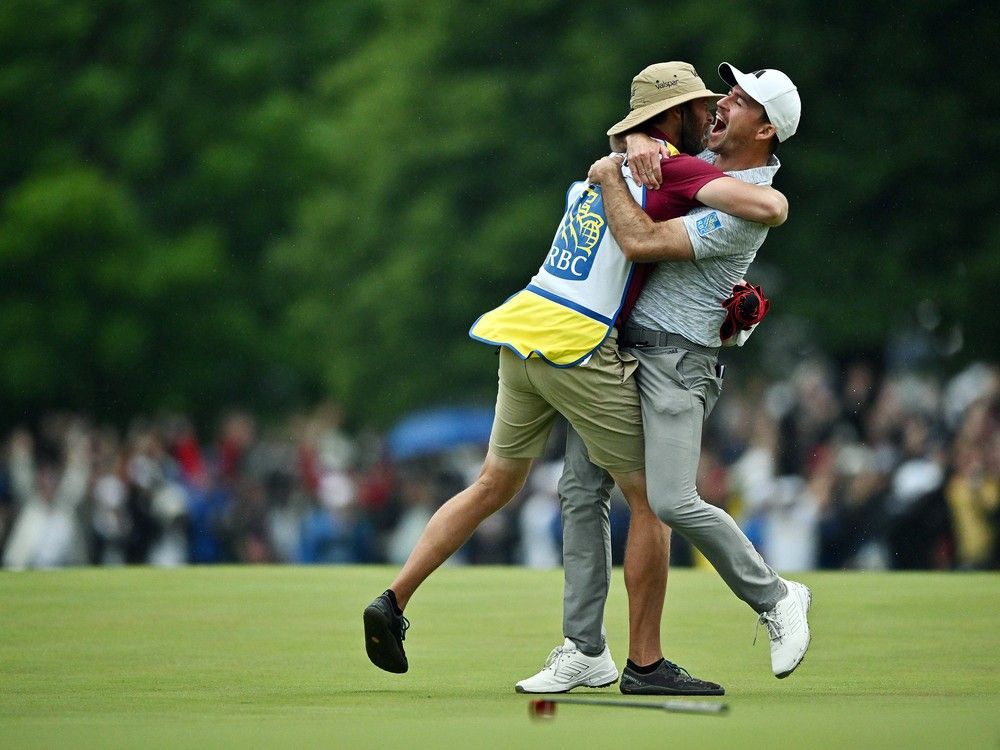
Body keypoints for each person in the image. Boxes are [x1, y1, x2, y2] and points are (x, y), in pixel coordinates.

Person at [362, 62, 787, 681]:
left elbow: (627, 157)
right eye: (700, 105)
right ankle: (646, 662)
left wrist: (627, 142)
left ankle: (394, 599)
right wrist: (641, 151)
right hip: (576, 345)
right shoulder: (672, 170)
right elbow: (765, 204)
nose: (712, 109)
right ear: (671, 118)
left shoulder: (610, 166)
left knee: (494, 484)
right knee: (653, 500)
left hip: (521, 329)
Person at [516, 63, 811, 696]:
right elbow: (641, 140)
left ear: (765, 129)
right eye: (727, 92)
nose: (722, 102)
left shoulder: (747, 207)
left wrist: (609, 170)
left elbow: (643, 241)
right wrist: (631, 140)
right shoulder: (693, 163)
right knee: (579, 489)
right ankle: (584, 650)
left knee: (672, 500)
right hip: (617, 352)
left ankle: (777, 597)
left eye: (741, 99)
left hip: (679, 363)